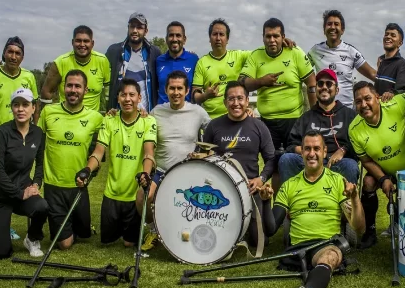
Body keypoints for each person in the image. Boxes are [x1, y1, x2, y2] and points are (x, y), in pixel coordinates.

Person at [258, 130, 365, 288]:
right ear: (302, 152)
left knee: (331, 256)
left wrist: (355, 198)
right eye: (307, 148)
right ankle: (310, 286)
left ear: (324, 152)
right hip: (297, 249)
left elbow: (359, 228)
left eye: (317, 148)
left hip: (325, 245)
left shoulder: (338, 181)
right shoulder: (289, 185)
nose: (312, 153)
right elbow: (270, 229)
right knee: (328, 256)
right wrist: (266, 202)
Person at [75, 78, 156, 246]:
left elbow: (149, 153)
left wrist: (146, 174)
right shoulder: (109, 120)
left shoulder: (148, 121)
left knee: (129, 244)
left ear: (139, 98)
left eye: (132, 95)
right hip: (111, 194)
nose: (127, 99)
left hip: (132, 195)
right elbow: (98, 152)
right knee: (107, 242)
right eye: (123, 95)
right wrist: (87, 170)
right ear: (118, 98)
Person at [240, 17, 316, 191]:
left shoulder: (295, 52)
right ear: (263, 37)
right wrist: (261, 81)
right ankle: (278, 213)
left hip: (294, 120)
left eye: (276, 36)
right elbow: (243, 82)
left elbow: (312, 82)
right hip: (268, 122)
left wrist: (314, 113)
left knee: (298, 164)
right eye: (268, 36)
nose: (272, 40)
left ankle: (297, 207)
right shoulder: (256, 55)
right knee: (274, 167)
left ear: (283, 37)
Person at [139, 70, 210, 251]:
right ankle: (154, 229)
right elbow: (141, 128)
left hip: (187, 172)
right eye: (172, 88)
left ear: (186, 91)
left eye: (180, 88)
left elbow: (216, 130)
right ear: (166, 89)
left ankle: (179, 232)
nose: (176, 92)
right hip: (161, 170)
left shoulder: (198, 112)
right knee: (142, 197)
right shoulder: (157, 111)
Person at [200, 80, 275, 247]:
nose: (236, 103)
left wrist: (261, 179)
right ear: (225, 102)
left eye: (240, 98)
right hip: (220, 190)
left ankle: (256, 214)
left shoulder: (259, 126)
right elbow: (205, 158)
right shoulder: (214, 126)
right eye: (231, 99)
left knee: (259, 241)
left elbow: (271, 159)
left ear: (247, 101)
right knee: (218, 239)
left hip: (249, 188)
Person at [0, 36, 38, 240]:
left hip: (21, 140)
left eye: (18, 53)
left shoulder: (29, 77)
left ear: (22, 56)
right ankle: (4, 224)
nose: (14, 56)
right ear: (4, 53)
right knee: (0, 182)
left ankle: (14, 222)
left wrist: (34, 134)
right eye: (10, 52)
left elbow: (34, 107)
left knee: (20, 179)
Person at [38, 69, 103, 250]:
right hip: (54, 185)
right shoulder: (48, 112)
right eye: (69, 85)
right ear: (62, 88)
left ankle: (79, 225)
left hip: (79, 184)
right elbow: (36, 145)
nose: (73, 90)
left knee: (84, 235)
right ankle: (61, 226)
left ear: (85, 90)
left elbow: (116, 124)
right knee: (64, 244)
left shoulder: (96, 118)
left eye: (78, 86)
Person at [0, 88, 48, 259]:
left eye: (25, 105)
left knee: (42, 206)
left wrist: (36, 183)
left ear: (33, 108)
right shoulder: (2, 132)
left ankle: (32, 239)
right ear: (11, 108)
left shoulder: (38, 134)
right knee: (1, 252)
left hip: (22, 191)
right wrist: (20, 193)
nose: (20, 109)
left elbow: (40, 164)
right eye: (16, 105)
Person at [348, 81, 405, 248]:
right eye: (358, 101)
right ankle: (370, 232)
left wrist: (395, 91)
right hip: (384, 171)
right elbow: (366, 161)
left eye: (367, 98)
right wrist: (383, 179)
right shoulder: (354, 129)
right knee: (368, 183)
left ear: (377, 97)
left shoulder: (396, 104)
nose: (364, 104)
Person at [279, 69, 358, 185]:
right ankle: (291, 200)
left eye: (329, 84)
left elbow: (358, 143)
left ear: (337, 90)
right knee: (286, 159)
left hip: (338, 164)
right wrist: (310, 153)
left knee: (350, 165)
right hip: (309, 163)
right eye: (320, 84)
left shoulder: (349, 115)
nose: (324, 87)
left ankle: (348, 202)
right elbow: (291, 144)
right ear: (316, 89)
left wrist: (343, 150)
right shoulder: (306, 117)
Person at [307, 10, 377, 109]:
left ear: (342, 30)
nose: (332, 27)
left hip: (346, 111)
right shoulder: (315, 51)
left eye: (336, 24)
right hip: (323, 110)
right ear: (324, 29)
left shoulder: (351, 51)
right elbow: (301, 72)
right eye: (329, 24)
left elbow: (372, 74)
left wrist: (393, 86)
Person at [40, 25, 111, 116]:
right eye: (78, 41)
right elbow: (46, 92)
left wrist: (108, 115)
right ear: (72, 42)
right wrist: (47, 117)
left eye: (86, 41)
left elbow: (108, 92)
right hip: (65, 118)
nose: (82, 45)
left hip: (92, 122)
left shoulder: (102, 61)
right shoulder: (61, 62)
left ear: (92, 43)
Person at [106, 12, 161, 111]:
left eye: (139, 27)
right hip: (119, 115)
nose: (135, 30)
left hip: (146, 115)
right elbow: (105, 83)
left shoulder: (154, 52)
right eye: (132, 27)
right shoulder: (114, 51)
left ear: (146, 31)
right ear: (128, 28)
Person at [155, 21, 199, 104]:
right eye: (171, 35)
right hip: (163, 113)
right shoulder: (158, 61)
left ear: (184, 39)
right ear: (166, 39)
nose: (174, 39)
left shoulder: (194, 60)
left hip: (186, 112)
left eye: (178, 35)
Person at [375, 23, 405, 102]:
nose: (388, 37)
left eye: (393, 35)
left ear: (400, 43)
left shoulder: (401, 64)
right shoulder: (381, 62)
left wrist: (392, 93)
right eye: (386, 34)